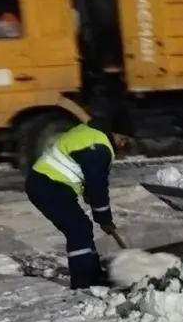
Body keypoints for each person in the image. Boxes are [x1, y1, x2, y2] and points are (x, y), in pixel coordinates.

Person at [26, 117, 131, 289]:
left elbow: (89, 175)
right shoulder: (98, 148)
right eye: (122, 138)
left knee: (82, 227)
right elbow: (98, 186)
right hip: (47, 185)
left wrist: (90, 196)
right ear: (113, 133)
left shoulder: (92, 134)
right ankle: (83, 282)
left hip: (51, 183)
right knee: (78, 229)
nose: (122, 144)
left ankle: (93, 275)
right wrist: (104, 218)